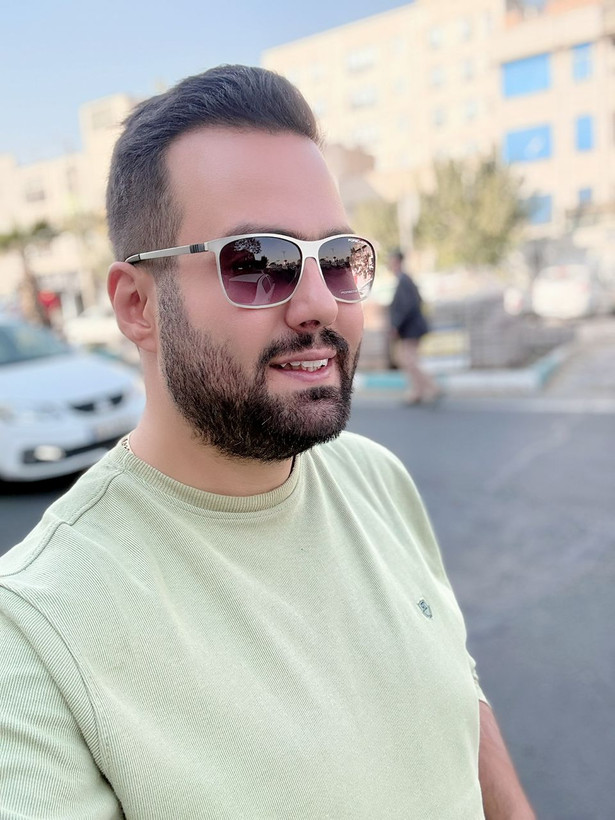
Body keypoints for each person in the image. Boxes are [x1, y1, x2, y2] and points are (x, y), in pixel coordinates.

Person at [0, 65, 534, 819]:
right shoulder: (32, 629)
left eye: (338, 259)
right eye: (257, 262)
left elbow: (457, 695)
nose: (320, 304)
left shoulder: (376, 478)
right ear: (137, 305)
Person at [388, 248, 442, 404]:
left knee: (409, 360)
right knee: (406, 359)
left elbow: (406, 307)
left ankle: (431, 387)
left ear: (397, 262)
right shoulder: (404, 280)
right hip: (411, 327)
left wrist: (396, 325)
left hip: (411, 328)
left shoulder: (404, 281)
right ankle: (417, 392)